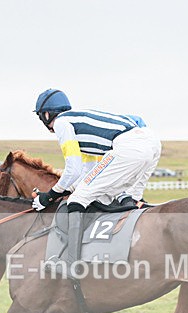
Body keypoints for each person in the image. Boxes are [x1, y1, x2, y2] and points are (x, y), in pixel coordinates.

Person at [30, 89, 161, 276]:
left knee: (78, 200)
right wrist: (66, 189)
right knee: (122, 196)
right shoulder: (80, 124)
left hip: (130, 146)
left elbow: (73, 169)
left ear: (46, 114)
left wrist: (49, 196)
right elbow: (87, 173)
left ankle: (71, 264)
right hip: (152, 142)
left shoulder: (61, 123)